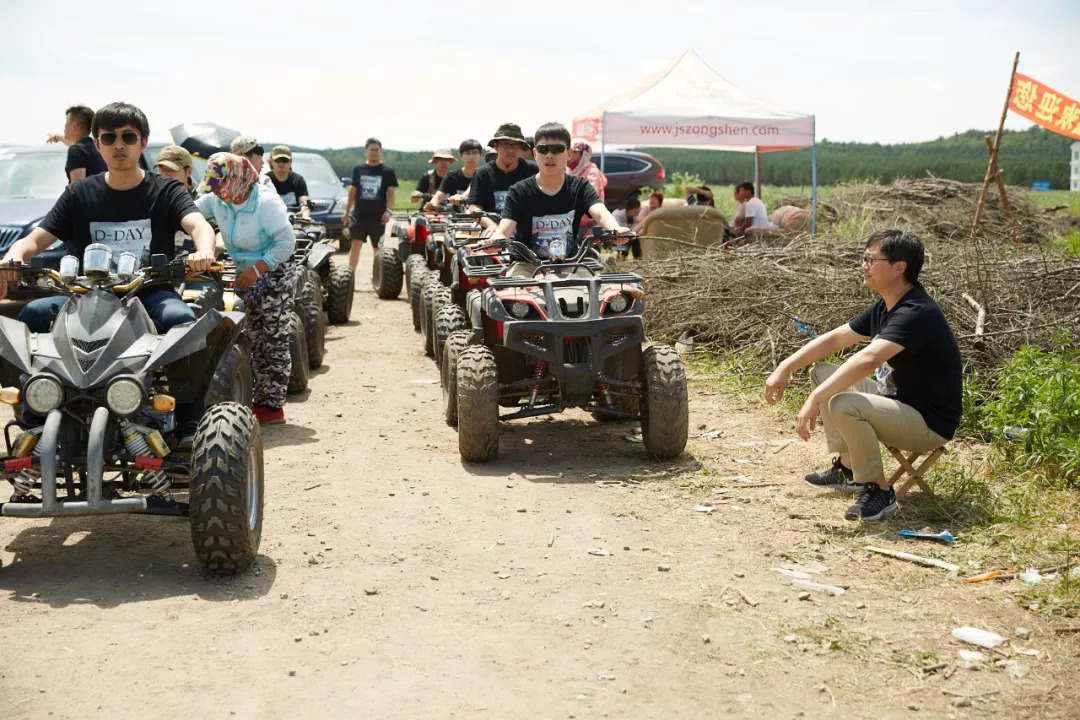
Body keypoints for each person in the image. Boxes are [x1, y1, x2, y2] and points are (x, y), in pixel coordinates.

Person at [3, 102, 216, 442]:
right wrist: (14, 256)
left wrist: (203, 249)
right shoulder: (79, 193)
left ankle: (189, 422)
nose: (119, 144)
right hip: (84, 295)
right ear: (97, 144)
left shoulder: (166, 190)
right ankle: (34, 414)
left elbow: (198, 224)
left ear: (142, 143)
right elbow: (35, 240)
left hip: (148, 293)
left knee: (182, 322)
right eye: (110, 137)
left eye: (128, 136)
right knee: (28, 316)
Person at [764, 229, 962, 522]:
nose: (863, 265)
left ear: (899, 268)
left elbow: (869, 359)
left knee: (843, 402)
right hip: (896, 401)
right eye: (864, 258)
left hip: (927, 422)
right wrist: (785, 366)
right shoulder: (885, 306)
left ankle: (879, 491)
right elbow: (834, 340)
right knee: (822, 372)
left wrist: (816, 399)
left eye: (871, 259)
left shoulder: (917, 311)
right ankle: (848, 469)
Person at [196, 153, 298, 426]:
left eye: (220, 184)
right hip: (245, 275)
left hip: (273, 273)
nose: (216, 190)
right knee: (254, 338)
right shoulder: (219, 200)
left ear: (237, 179)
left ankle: (274, 406)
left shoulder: (265, 203)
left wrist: (258, 269)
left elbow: (287, 243)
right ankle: (259, 400)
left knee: (274, 338)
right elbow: (191, 212)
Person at [493, 122, 628, 276]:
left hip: (570, 263)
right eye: (543, 149)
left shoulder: (580, 187)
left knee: (594, 292)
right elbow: (504, 230)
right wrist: (495, 240)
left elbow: (600, 212)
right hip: (526, 266)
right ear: (536, 154)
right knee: (512, 295)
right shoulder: (518, 191)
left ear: (569, 154)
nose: (549, 155)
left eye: (557, 149)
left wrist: (615, 229)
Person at [340, 137, 398, 269]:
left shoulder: (387, 171)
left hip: (378, 217)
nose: (374, 152)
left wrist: (388, 211)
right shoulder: (358, 169)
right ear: (365, 151)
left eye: (376, 149)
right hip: (359, 215)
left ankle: (379, 278)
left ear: (381, 151)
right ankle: (350, 276)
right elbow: (352, 192)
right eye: (371, 149)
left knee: (377, 248)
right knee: (355, 244)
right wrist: (347, 212)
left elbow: (391, 194)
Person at [468, 123, 538, 231]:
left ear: (520, 148)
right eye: (505, 145)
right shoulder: (483, 173)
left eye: (514, 145)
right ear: (496, 146)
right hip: (492, 236)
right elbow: (474, 208)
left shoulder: (533, 170)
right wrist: (492, 226)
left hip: (526, 237)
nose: (510, 150)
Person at [47, 105, 107, 183]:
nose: (64, 128)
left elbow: (78, 190)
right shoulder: (96, 147)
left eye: (66, 124)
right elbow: (75, 145)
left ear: (74, 126)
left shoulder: (76, 150)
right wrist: (57, 137)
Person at [426, 139, 483, 209]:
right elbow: (438, 197)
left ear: (480, 155)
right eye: (467, 153)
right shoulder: (451, 176)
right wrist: (431, 205)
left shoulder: (484, 175)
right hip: (456, 217)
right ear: (461, 155)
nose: (471, 157)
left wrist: (460, 197)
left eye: (474, 153)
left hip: (481, 216)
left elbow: (471, 189)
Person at [267, 145, 311, 220]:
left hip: (294, 221)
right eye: (278, 160)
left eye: (284, 160)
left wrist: (305, 216)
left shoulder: (298, 180)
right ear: (271, 162)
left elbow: (304, 202)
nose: (281, 164)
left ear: (290, 162)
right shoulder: (265, 180)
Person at [566, 138, 606, 203]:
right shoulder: (567, 170)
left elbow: (590, 197)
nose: (569, 155)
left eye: (574, 152)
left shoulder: (591, 172)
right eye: (568, 152)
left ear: (584, 154)